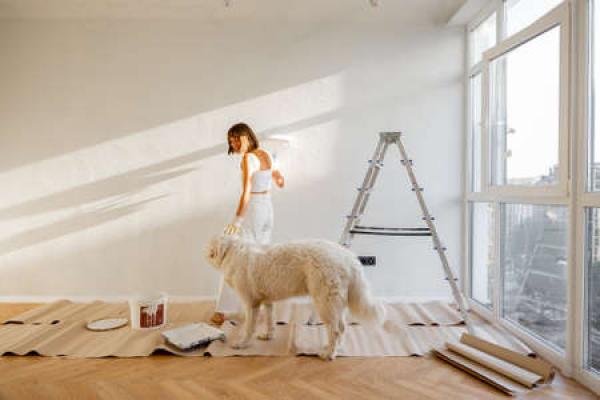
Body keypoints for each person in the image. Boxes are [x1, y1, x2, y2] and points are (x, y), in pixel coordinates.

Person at [210, 122, 285, 325]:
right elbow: (278, 177)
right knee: (260, 258)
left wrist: (237, 220)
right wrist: (278, 179)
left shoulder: (248, 158)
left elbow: (246, 192)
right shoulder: (266, 154)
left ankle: (223, 310)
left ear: (248, 137)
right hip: (267, 208)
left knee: (233, 260)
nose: (233, 143)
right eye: (230, 140)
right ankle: (258, 308)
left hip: (253, 210)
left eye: (236, 138)